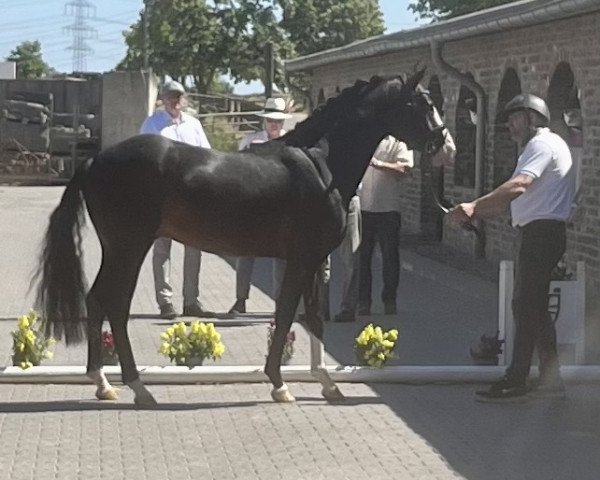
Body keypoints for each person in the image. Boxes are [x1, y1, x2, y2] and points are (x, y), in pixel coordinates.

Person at [448, 93, 575, 402]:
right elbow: (520, 197)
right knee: (535, 307)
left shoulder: (541, 145)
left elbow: (519, 186)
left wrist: (474, 206)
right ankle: (550, 378)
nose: (510, 125)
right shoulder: (545, 145)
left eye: (515, 118)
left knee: (526, 306)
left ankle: (517, 380)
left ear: (533, 118)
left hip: (541, 235)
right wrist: (478, 212)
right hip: (541, 233)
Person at [140, 80, 212, 319]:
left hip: (192, 197)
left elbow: (207, 156)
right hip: (164, 196)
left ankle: (191, 300)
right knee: (162, 250)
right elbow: (144, 159)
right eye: (171, 96)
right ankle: (165, 302)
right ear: (162, 98)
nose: (175, 100)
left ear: (185, 98)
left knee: (195, 248)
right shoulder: (152, 125)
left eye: (179, 96)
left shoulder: (193, 125)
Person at [228, 97, 292, 315]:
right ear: (264, 121)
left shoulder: (291, 144)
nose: (274, 125)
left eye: (278, 121)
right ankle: (240, 300)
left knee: (282, 255)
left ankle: (280, 302)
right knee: (245, 252)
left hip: (280, 206)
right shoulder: (250, 141)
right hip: (254, 204)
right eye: (270, 120)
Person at [357, 136, 413, 316]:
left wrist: (377, 164)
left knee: (389, 257)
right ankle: (363, 302)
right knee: (362, 258)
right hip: (363, 206)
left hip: (388, 208)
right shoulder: (364, 137)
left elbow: (404, 169)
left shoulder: (398, 142)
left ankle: (389, 299)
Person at [332, 194, 362, 322]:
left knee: (351, 259)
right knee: (319, 261)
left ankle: (348, 308)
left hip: (347, 199)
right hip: (322, 198)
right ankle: (318, 308)